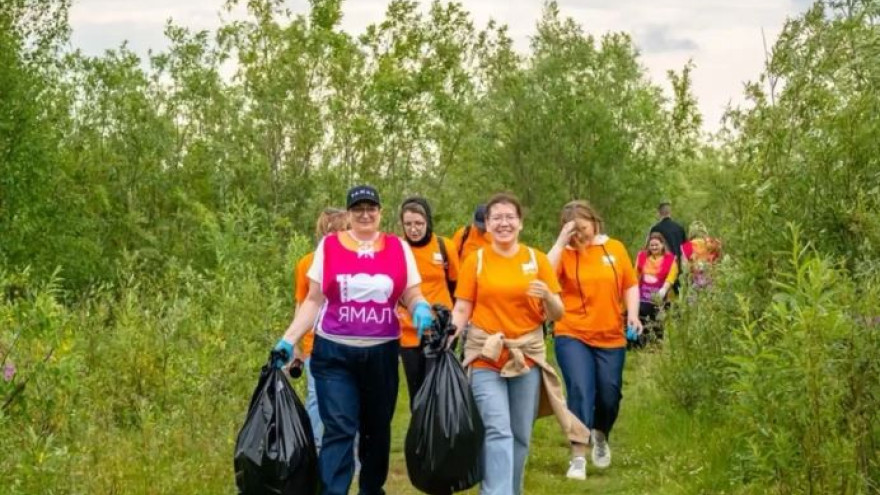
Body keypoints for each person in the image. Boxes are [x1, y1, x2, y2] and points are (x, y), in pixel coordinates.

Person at [272, 185, 434, 495]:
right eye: (357, 208)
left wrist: (421, 308)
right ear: (349, 214)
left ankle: (372, 490)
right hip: (334, 353)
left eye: (370, 207)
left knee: (376, 431)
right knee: (339, 428)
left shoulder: (398, 248)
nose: (364, 213)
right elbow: (313, 300)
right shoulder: (329, 247)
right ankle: (334, 490)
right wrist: (288, 340)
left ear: (380, 212)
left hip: (382, 353)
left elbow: (411, 293)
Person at [449, 193, 589, 494]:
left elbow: (557, 313)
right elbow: (462, 308)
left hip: (526, 358)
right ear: (487, 224)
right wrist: (446, 338)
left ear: (520, 223)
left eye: (509, 217)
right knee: (497, 430)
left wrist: (549, 297)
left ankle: (512, 489)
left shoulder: (536, 259)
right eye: (496, 217)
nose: (503, 223)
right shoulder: (476, 260)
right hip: (487, 356)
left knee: (520, 434)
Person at [547, 200, 643, 477]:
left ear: (594, 221)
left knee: (609, 395)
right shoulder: (564, 252)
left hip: (611, 335)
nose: (581, 237)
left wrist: (633, 315)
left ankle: (600, 433)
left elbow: (630, 284)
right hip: (572, 331)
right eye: (573, 232)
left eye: (583, 229)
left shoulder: (615, 248)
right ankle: (578, 456)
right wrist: (560, 241)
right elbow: (543, 272)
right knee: (579, 389)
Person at [293, 207, 349, 452]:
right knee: (316, 397)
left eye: (344, 229)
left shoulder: (354, 261)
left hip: (348, 342)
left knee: (347, 398)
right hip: (314, 343)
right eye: (334, 230)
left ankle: (350, 451)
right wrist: (295, 344)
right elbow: (301, 303)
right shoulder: (306, 263)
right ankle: (311, 448)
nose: (339, 234)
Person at [397, 196, 459, 407]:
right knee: (418, 392)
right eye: (408, 224)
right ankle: (421, 436)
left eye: (419, 224)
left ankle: (442, 435)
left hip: (440, 330)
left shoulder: (444, 246)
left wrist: (454, 318)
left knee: (439, 388)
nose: (414, 229)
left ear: (428, 222)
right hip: (408, 330)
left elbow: (456, 286)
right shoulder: (398, 249)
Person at [634, 232, 678, 342]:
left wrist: (663, 290)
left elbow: (671, 276)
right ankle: (642, 342)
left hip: (659, 296)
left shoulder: (670, 259)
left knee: (657, 319)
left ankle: (657, 343)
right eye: (651, 245)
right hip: (643, 296)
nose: (654, 247)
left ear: (662, 245)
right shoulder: (642, 257)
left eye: (656, 245)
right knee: (642, 318)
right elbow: (635, 274)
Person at [649, 202, 686, 287]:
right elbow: (685, 251)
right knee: (678, 297)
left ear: (659, 213)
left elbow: (650, 250)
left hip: (661, 269)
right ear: (670, 212)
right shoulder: (679, 228)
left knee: (661, 297)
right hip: (678, 269)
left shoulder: (655, 229)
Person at [680, 220, 722, 290]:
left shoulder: (687, 246)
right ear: (705, 232)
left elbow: (684, 268)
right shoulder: (713, 244)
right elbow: (718, 262)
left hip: (694, 283)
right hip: (710, 282)